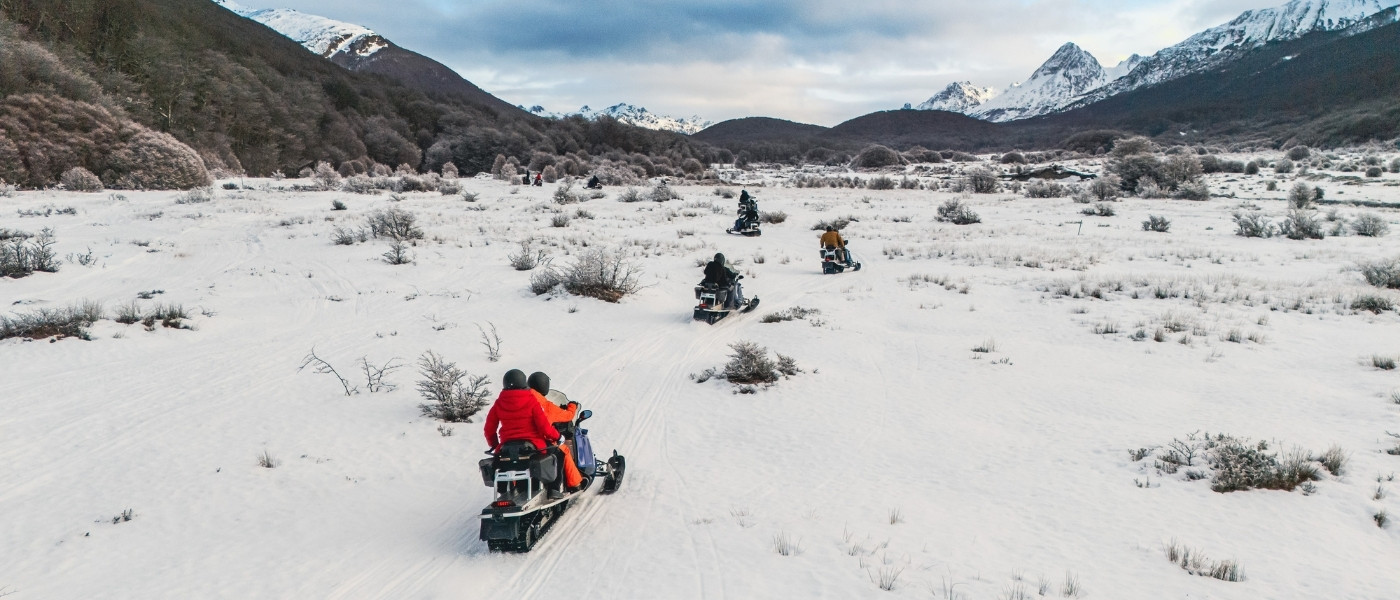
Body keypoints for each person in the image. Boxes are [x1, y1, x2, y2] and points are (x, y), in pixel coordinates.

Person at [484, 369, 566, 499]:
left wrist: (495, 445)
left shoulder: (499, 403)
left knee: (507, 464)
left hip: (507, 448)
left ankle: (507, 491)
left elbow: (489, 429)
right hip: (532, 446)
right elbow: (544, 427)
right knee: (558, 453)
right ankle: (553, 489)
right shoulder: (531, 400)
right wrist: (558, 436)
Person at [527, 372, 584, 491]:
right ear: (544, 386)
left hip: (520, 443)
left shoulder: (521, 401)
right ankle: (574, 484)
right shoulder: (545, 405)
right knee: (563, 450)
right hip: (539, 443)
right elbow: (568, 416)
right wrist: (572, 406)